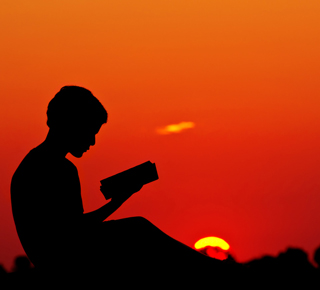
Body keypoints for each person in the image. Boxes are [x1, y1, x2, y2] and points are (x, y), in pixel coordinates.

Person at [11, 86, 228, 284]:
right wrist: (120, 198)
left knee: (138, 232)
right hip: (64, 262)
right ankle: (216, 271)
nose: (92, 142)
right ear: (72, 124)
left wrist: (121, 198)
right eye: (90, 132)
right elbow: (76, 232)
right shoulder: (56, 168)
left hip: (58, 258)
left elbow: (73, 229)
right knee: (138, 230)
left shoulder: (37, 164)